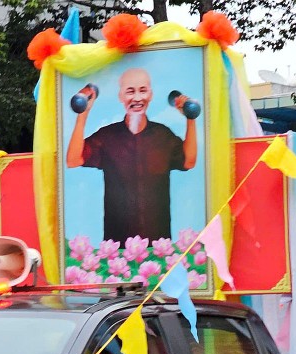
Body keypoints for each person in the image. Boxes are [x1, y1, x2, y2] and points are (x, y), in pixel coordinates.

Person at [66, 67, 198, 243]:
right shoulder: (107, 136)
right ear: (121, 97)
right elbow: (73, 159)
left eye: (143, 90)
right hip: (118, 244)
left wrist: (190, 119)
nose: (137, 98)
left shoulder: (163, 135)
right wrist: (83, 115)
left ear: (150, 95)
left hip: (158, 243)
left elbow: (188, 161)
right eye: (130, 91)